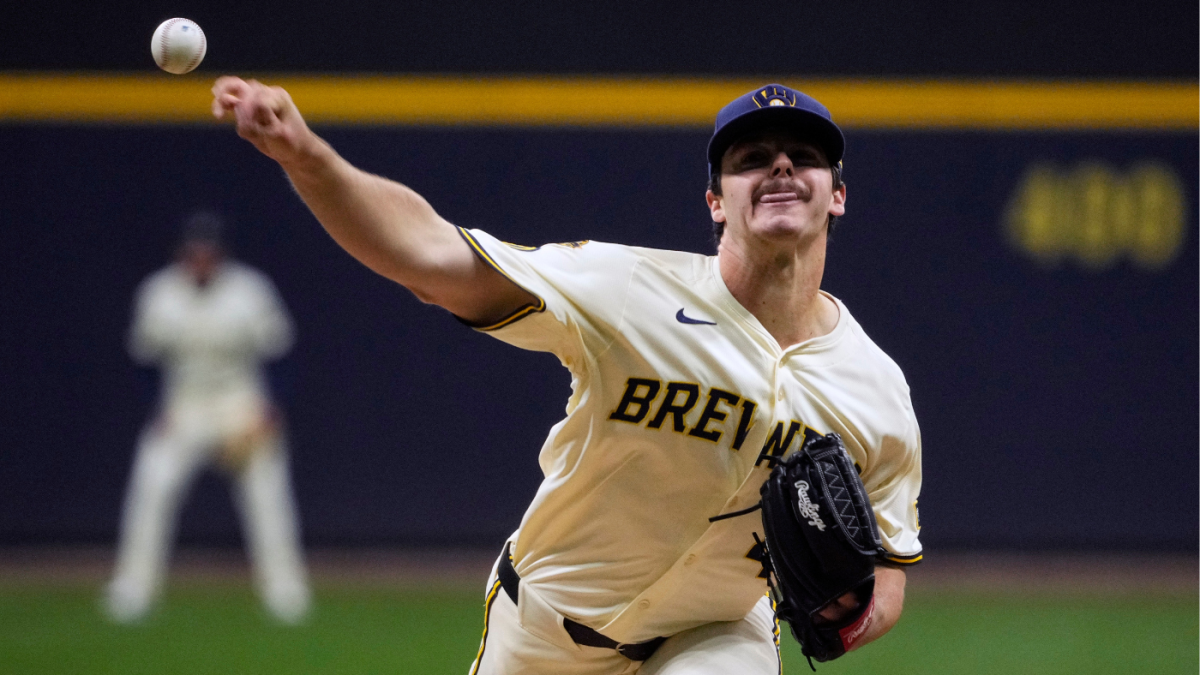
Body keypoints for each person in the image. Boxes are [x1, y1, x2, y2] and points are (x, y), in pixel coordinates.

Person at [211, 79, 923, 673]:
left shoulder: (875, 388)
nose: (780, 168)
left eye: (805, 156)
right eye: (751, 158)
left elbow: (888, 564)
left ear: (836, 195)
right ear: (715, 202)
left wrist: (851, 617)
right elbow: (430, 258)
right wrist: (307, 157)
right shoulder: (629, 290)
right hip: (545, 627)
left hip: (714, 633)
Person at [105, 212, 311, 624]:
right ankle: (133, 588)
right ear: (183, 253)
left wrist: (271, 409)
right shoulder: (160, 293)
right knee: (152, 488)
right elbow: (143, 360)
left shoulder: (249, 291)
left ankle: (285, 591)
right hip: (184, 405)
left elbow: (280, 353)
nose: (201, 259)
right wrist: (155, 411)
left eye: (208, 252)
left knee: (268, 499)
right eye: (194, 252)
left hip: (241, 403)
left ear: (220, 254)